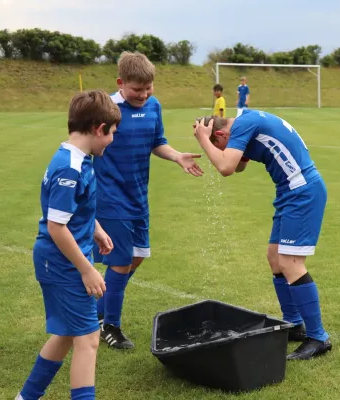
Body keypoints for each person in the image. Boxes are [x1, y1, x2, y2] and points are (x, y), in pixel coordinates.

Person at [193, 109, 332, 361]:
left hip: (302, 191)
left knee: (291, 262)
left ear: (222, 133)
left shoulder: (245, 123)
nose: (220, 150)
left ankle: (318, 337)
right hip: (290, 191)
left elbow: (226, 167)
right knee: (275, 258)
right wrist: (214, 141)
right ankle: (294, 325)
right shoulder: (245, 123)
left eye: (217, 144)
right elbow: (240, 167)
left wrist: (203, 139)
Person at [93, 51, 203, 350]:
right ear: (120, 83)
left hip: (138, 194)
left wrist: (177, 155)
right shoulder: (105, 108)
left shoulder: (154, 106)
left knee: (137, 256)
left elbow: (158, 142)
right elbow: (86, 143)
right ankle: (110, 326)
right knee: (121, 261)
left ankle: (98, 311)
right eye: (136, 89)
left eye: (148, 88)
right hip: (110, 196)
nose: (143, 94)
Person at [17, 90, 120, 400]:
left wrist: (97, 230)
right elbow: (56, 226)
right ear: (99, 128)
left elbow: (74, 211)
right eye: (112, 133)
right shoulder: (70, 169)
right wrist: (87, 269)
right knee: (88, 339)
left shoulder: (75, 159)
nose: (112, 140)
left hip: (60, 259)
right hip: (62, 263)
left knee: (64, 333)